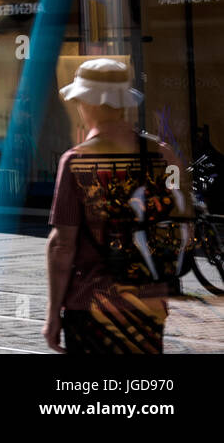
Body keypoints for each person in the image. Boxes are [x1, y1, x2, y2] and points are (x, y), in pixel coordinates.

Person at [44, 59, 189, 354]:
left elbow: (62, 245)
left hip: (91, 305)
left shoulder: (76, 161)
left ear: (90, 104)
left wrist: (52, 315)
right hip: (148, 303)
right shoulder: (163, 155)